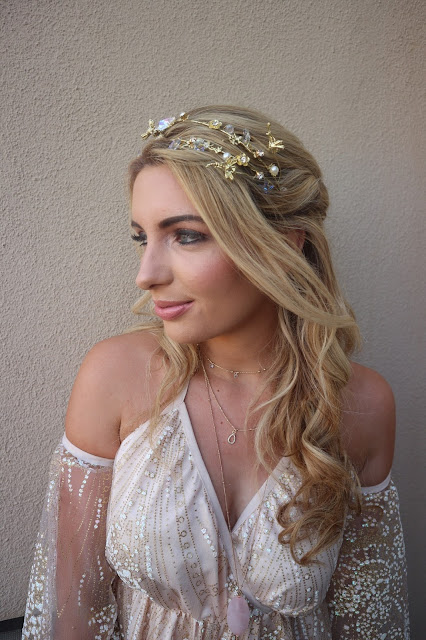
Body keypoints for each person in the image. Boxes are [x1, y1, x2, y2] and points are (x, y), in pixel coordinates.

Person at [22, 105, 409, 639]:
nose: (146, 274)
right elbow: (74, 606)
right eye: (142, 237)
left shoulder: (360, 405)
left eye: (185, 235)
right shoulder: (116, 377)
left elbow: (366, 621)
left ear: (285, 243)